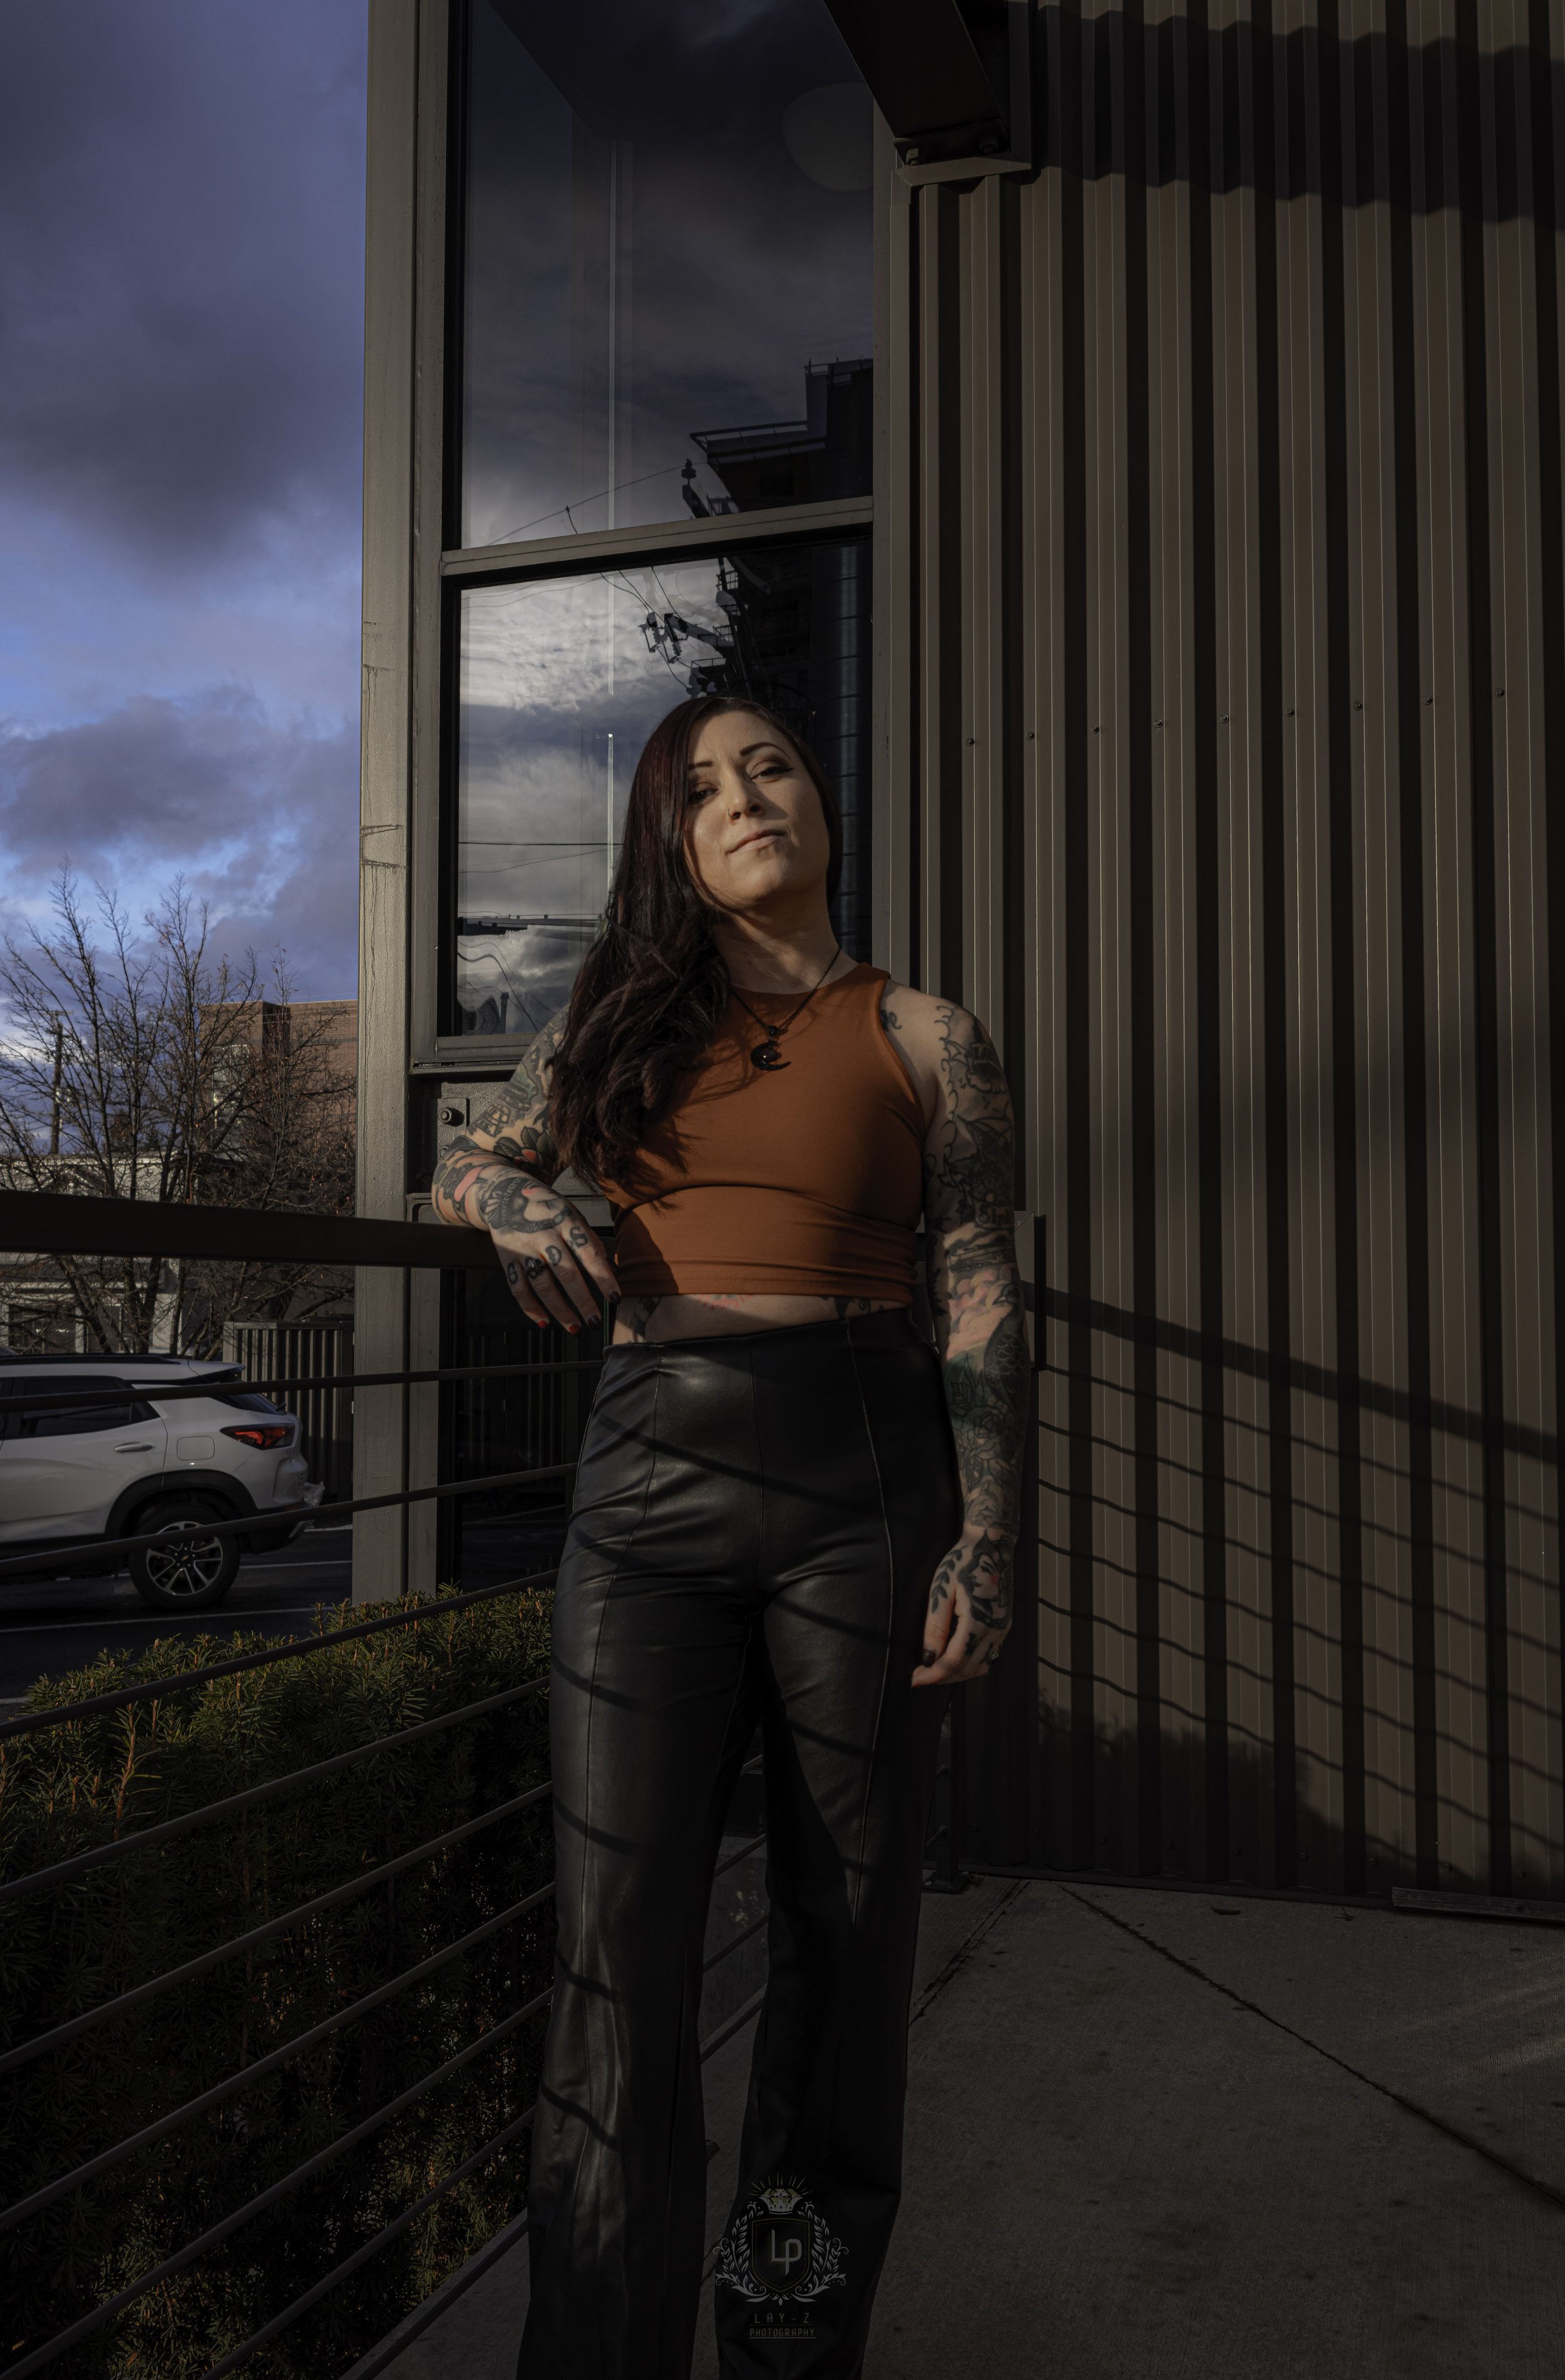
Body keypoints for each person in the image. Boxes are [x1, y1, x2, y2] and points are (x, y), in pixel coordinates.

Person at [431, 693, 1029, 2378]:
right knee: (617, 1953)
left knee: (844, 1954)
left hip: (864, 1469)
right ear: (671, 848)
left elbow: (978, 1295)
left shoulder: (927, 1033)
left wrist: (988, 1541)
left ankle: (782, 2349)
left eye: (768, 763)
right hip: (645, 1485)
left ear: (816, 801)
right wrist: (516, 1199)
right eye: (700, 785)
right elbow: (460, 1160)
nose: (744, 794)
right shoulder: (617, 1022)